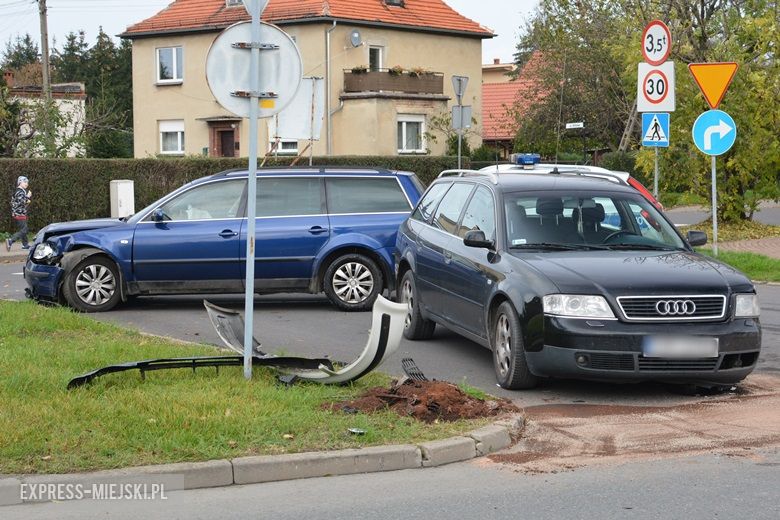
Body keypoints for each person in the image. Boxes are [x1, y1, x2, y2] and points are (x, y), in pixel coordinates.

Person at [6, 176, 31, 251]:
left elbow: (19, 202)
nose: (27, 184)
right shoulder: (20, 191)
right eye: (25, 182)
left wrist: (26, 199)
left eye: (27, 182)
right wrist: (28, 197)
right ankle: (11, 240)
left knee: (23, 228)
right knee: (25, 229)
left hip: (18, 213)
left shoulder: (19, 191)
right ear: (20, 182)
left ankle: (25, 245)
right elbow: (21, 202)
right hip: (19, 214)